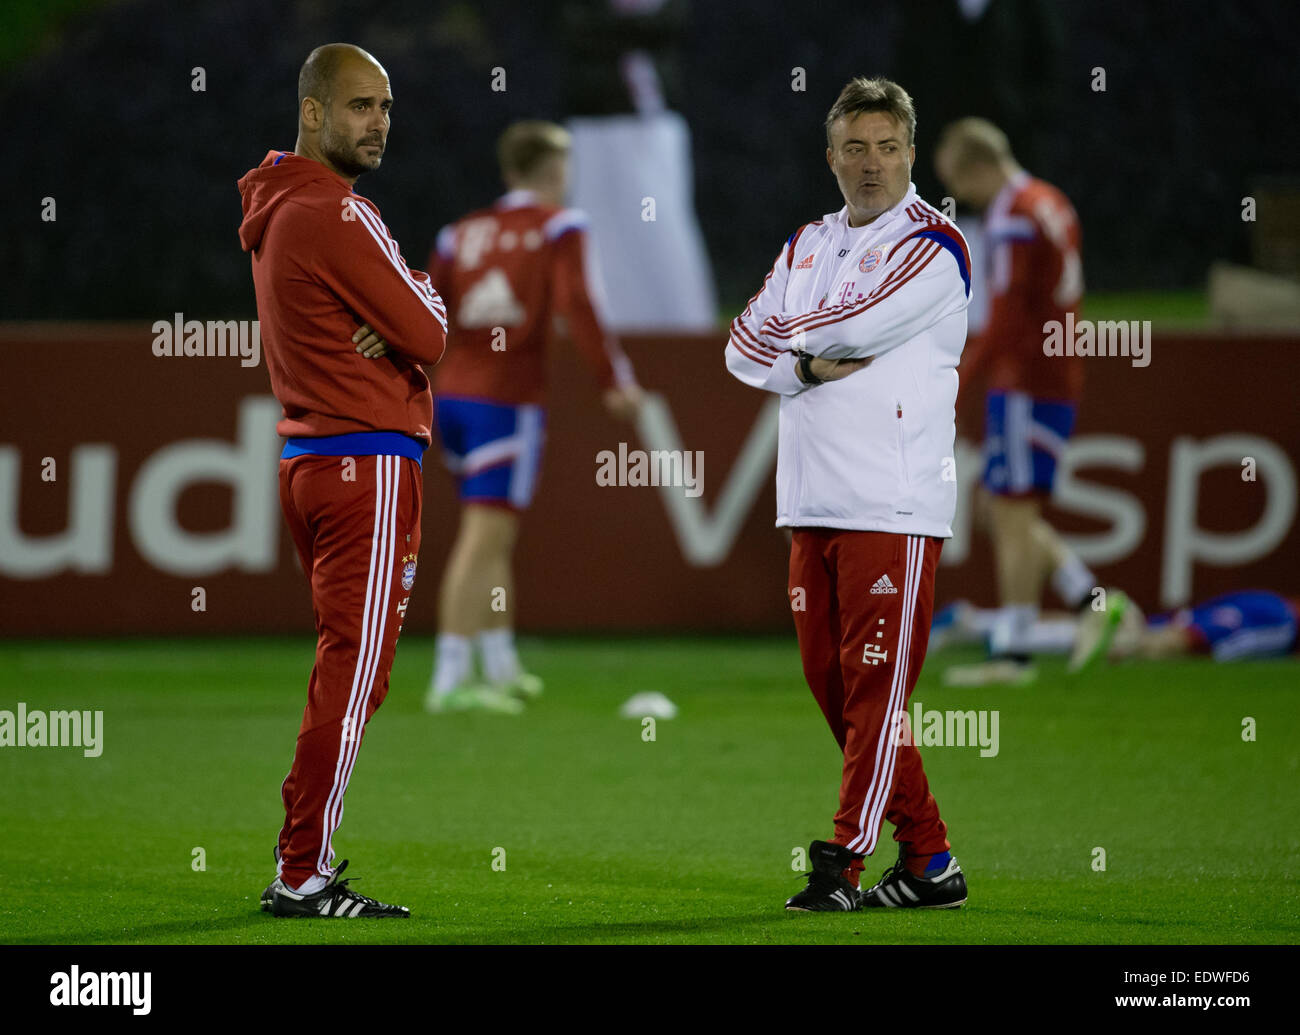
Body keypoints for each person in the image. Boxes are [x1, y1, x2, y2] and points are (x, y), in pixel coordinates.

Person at [725, 76, 971, 912]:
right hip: (811, 499)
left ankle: (844, 858)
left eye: (889, 148)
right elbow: (739, 344)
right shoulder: (807, 242)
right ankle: (931, 861)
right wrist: (799, 362)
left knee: (875, 695)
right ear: (831, 157)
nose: (873, 165)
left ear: (911, 153)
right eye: (857, 148)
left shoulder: (935, 245)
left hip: (891, 505)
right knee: (838, 691)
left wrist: (788, 346)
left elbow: (857, 327)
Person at [238, 43, 447, 918]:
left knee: (345, 663)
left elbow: (408, 316)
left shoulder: (280, 206)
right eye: (360, 106)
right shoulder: (339, 213)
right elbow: (432, 332)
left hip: (314, 461)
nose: (379, 124)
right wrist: (411, 306)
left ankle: (302, 863)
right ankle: (303, 869)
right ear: (313, 112)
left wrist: (399, 309)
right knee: (355, 670)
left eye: (387, 107)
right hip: (365, 461)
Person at [425, 121, 642, 714]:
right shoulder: (561, 225)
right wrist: (614, 381)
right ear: (554, 170)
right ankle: (449, 680)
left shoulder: (457, 233)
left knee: (495, 537)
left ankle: (498, 665)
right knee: (484, 536)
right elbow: (579, 303)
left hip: (450, 398)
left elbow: (424, 311)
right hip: (507, 398)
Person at [933, 117, 1095, 687]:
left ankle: (1016, 654)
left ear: (979, 167)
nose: (964, 198)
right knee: (1002, 510)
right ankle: (1093, 602)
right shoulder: (1049, 200)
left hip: (1026, 380)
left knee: (1013, 513)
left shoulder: (1011, 216)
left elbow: (1007, 314)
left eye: (960, 182)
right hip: (1054, 373)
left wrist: (960, 377)